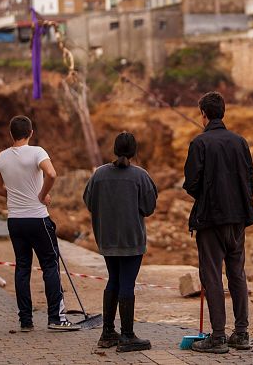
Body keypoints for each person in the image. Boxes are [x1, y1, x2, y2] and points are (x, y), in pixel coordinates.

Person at [183, 91, 253, 354]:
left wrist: (208, 197)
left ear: (203, 114)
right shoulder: (240, 142)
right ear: (223, 112)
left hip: (210, 220)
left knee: (212, 275)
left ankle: (217, 337)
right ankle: (241, 333)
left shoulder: (199, 143)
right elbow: (250, 181)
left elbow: (191, 183)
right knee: (237, 273)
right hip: (238, 220)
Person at [0, 115, 79, 333]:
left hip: (15, 221)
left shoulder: (1, 157)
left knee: (22, 268)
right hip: (38, 218)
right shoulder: (37, 152)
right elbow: (51, 173)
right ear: (31, 132)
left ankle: (25, 320)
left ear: (11, 134)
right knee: (50, 265)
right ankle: (56, 318)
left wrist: (15, 195)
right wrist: (41, 194)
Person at [83, 132, 158, 353]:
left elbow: (89, 201)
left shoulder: (99, 175)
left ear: (114, 150)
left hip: (107, 239)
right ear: (134, 152)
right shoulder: (140, 176)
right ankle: (127, 335)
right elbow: (149, 207)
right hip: (131, 241)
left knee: (113, 280)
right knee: (126, 283)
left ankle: (107, 333)